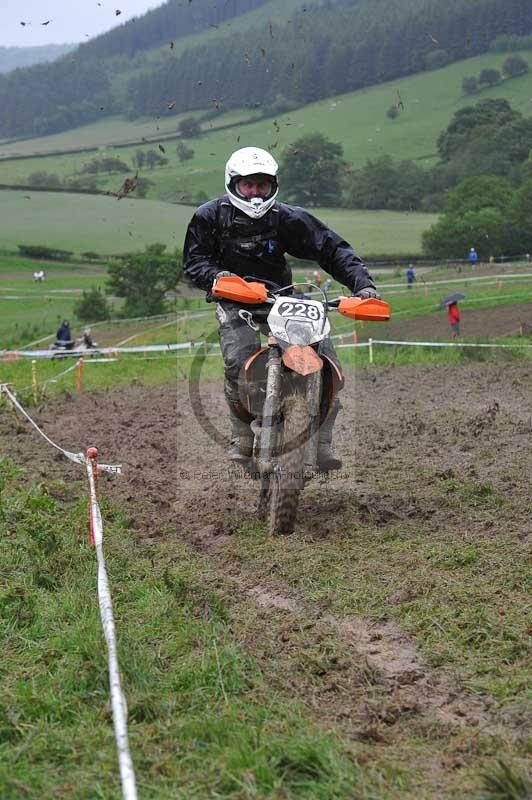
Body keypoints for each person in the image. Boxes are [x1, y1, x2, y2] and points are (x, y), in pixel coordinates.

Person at [183, 146, 379, 470]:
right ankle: (242, 433)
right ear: (234, 184)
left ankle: (323, 441)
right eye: (249, 185)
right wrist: (218, 276)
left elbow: (331, 248)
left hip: (282, 296)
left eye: (262, 184)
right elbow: (194, 261)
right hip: (234, 297)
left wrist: (363, 286)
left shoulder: (285, 218)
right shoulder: (210, 216)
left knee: (326, 357)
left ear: (272, 184)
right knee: (238, 359)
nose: (256, 192)